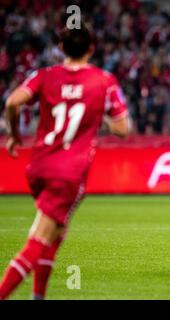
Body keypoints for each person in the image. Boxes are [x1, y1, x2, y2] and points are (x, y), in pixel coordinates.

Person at [0, 25, 129, 300]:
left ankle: (39, 296)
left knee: (57, 230)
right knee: (38, 239)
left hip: (38, 166)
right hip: (68, 172)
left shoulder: (44, 76)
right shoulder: (104, 81)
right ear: (92, 49)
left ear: (61, 49)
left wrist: (13, 136)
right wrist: (99, 115)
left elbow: (12, 102)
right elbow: (122, 129)